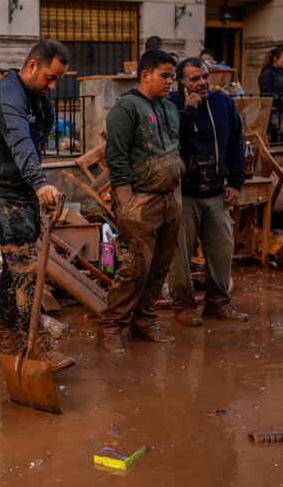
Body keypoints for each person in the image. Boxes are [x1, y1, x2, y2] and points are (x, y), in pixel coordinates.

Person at [0, 40, 75, 374]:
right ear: (31, 65)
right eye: (49, 77)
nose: (52, 86)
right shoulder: (9, 94)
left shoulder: (39, 98)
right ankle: (26, 342)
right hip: (0, 190)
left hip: (22, 190)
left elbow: (40, 137)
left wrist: (35, 186)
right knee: (24, 266)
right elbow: (20, 139)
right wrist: (40, 182)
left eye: (57, 80)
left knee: (21, 267)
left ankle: (10, 336)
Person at [98, 49, 184, 354]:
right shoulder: (126, 109)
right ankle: (112, 326)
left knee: (159, 267)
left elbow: (174, 150)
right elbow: (116, 160)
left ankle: (144, 320)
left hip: (171, 199)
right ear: (145, 75)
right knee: (133, 269)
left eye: (172, 76)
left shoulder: (170, 108)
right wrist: (128, 205)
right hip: (140, 202)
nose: (171, 82)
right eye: (164, 76)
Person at [167, 58, 248, 326]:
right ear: (182, 82)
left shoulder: (223, 103)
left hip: (216, 192)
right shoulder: (173, 105)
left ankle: (218, 303)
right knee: (180, 255)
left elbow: (236, 143)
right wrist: (189, 109)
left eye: (204, 76)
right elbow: (171, 141)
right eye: (194, 79)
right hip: (184, 193)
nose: (202, 82)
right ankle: (183, 306)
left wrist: (236, 183)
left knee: (222, 250)